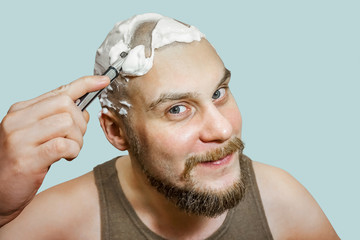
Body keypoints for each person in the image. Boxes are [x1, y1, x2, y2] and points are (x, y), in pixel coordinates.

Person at [0, 13, 339, 240]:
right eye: (178, 108)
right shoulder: (63, 222)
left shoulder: (284, 203)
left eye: (219, 93)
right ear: (116, 132)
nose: (221, 129)